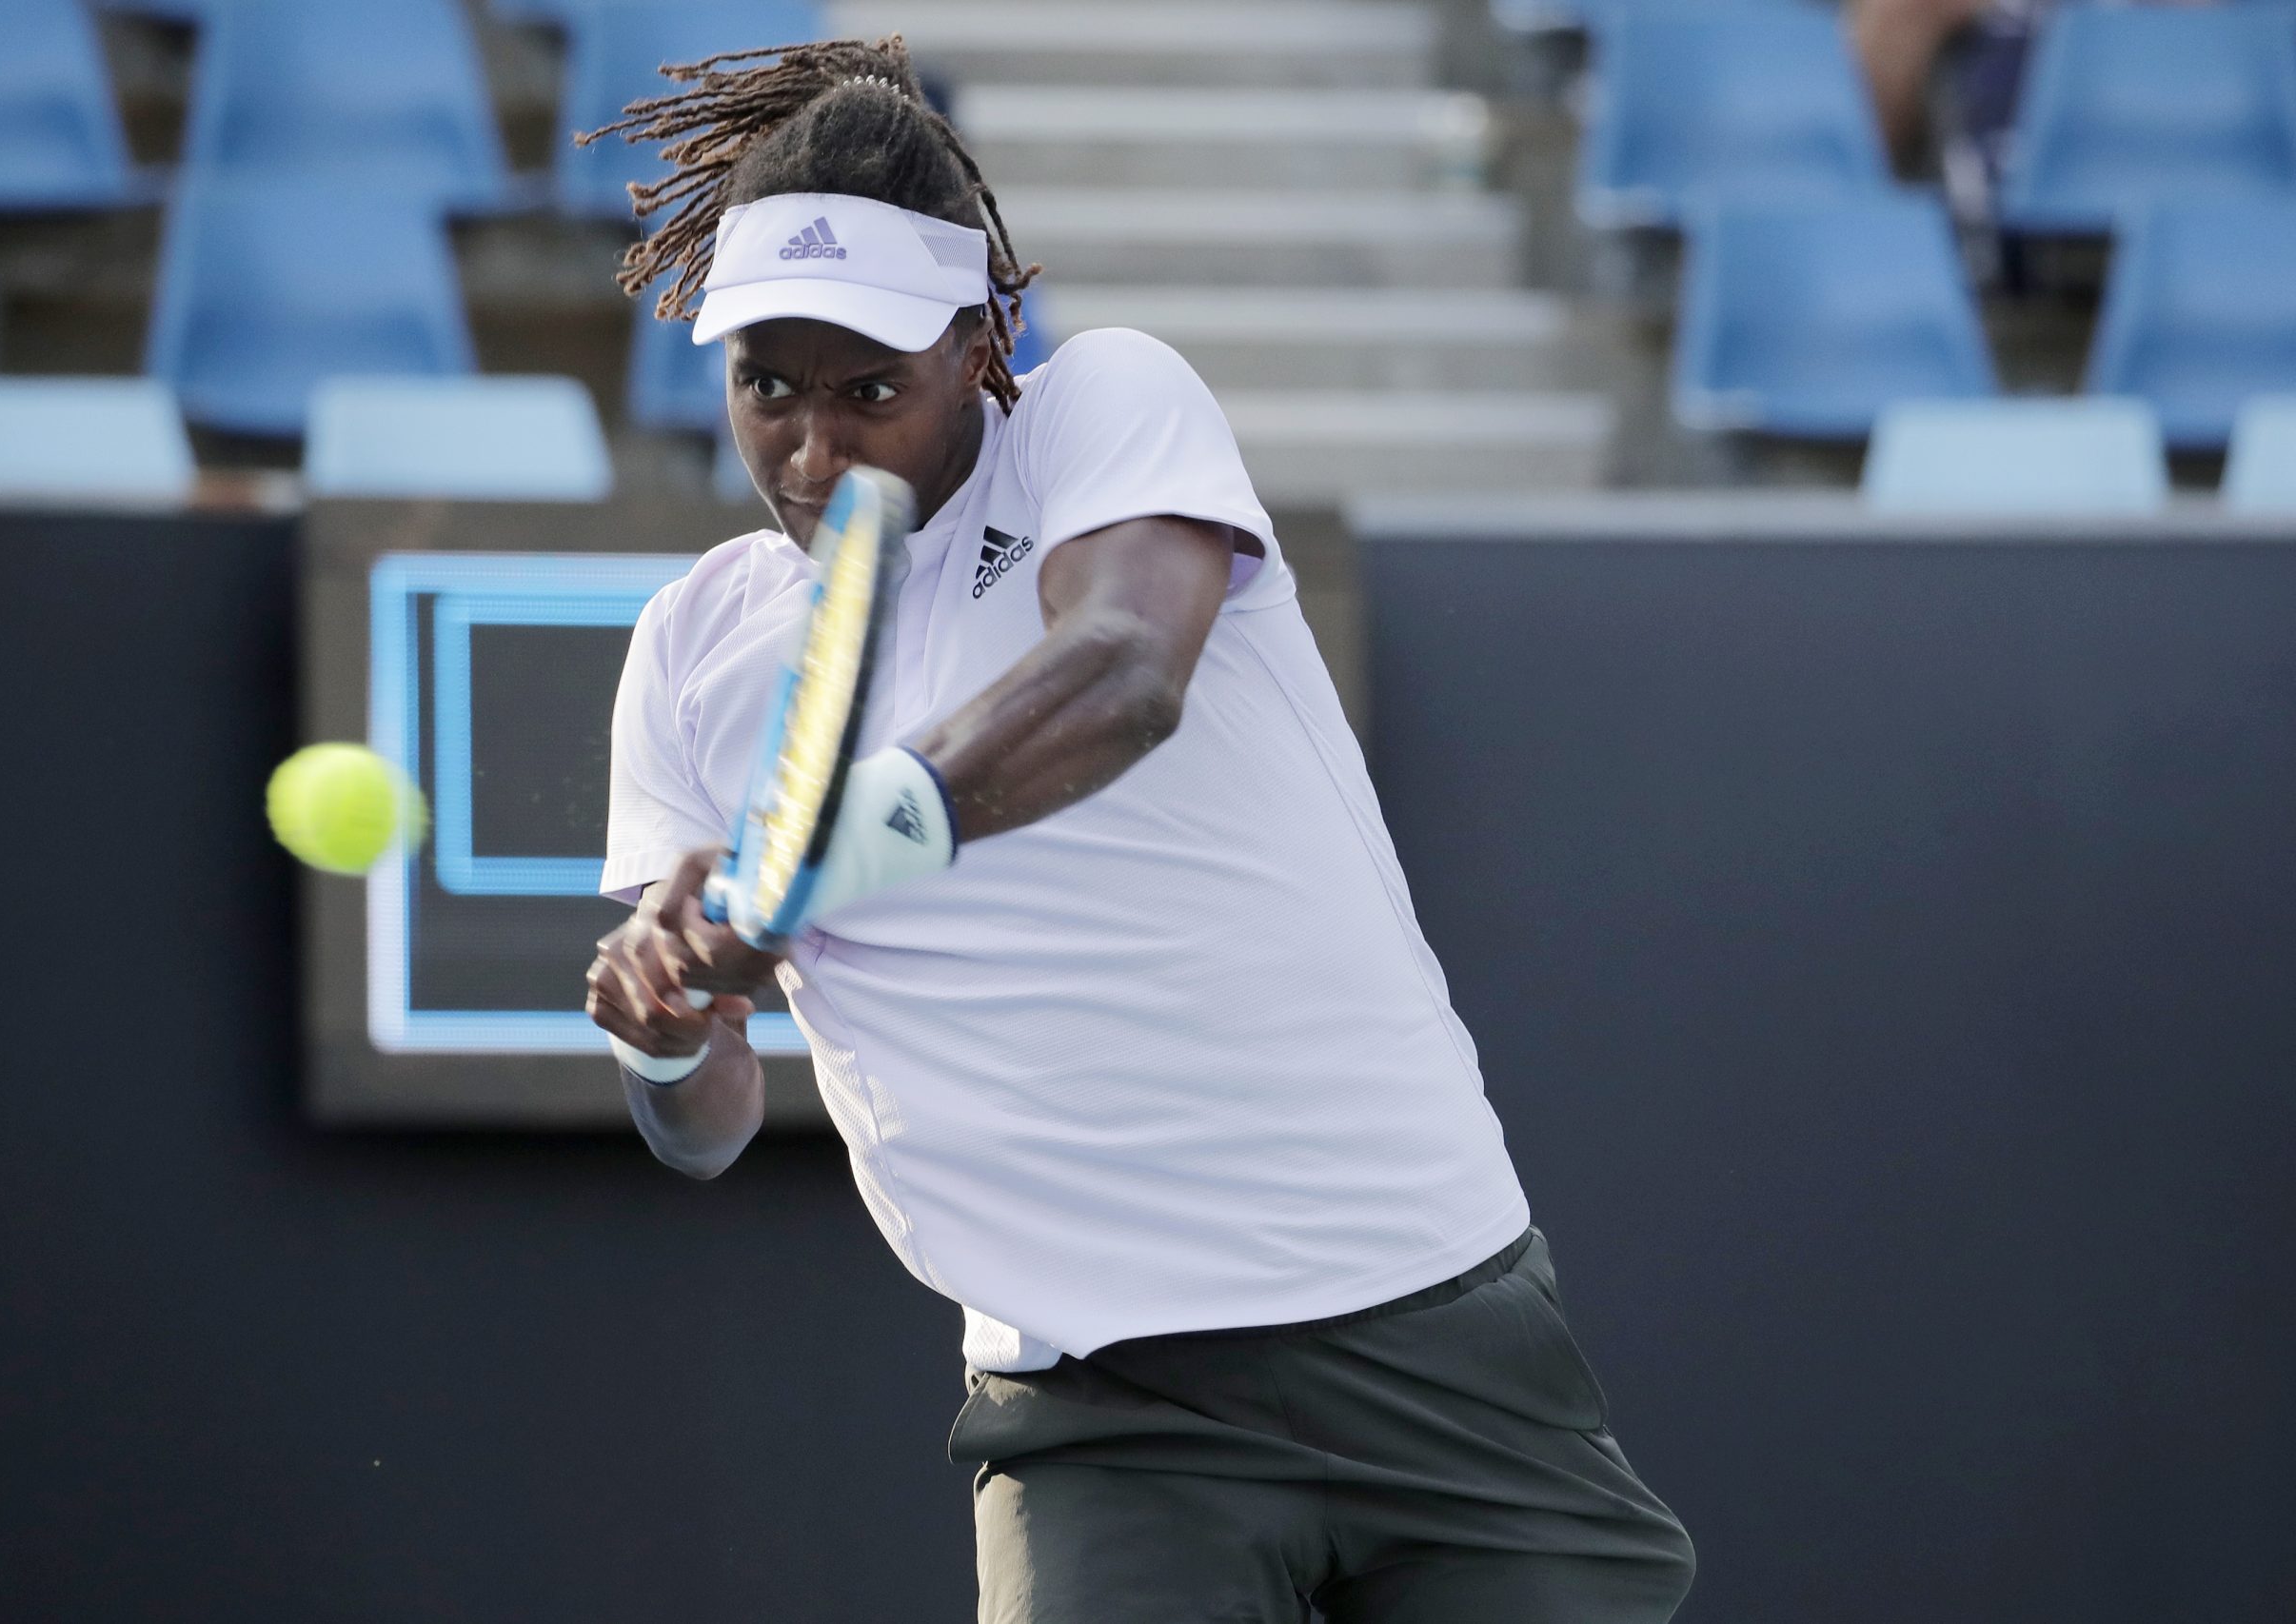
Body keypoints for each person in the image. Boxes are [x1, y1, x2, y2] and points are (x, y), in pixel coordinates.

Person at [582, 36, 1694, 1623]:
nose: (814, 450)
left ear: (985, 340)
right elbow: (708, 1129)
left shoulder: (1102, 408)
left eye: (869, 389)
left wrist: (835, 844)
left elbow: (1122, 670)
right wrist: (666, 1032)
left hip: (1430, 1320)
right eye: (768, 385)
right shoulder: (693, 649)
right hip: (1097, 1412)